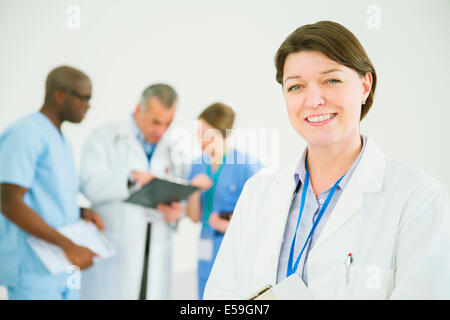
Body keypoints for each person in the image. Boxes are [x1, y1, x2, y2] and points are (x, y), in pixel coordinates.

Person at [204, 21, 450, 300]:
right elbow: (222, 295)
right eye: (296, 86)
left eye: (331, 80)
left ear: (364, 86)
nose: (313, 100)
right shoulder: (257, 193)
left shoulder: (419, 199)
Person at [0, 66, 104, 300]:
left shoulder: (61, 140)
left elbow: (44, 199)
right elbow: (9, 202)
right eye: (83, 98)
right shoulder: (26, 133)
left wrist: (79, 212)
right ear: (60, 95)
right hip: (33, 269)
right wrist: (69, 246)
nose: (88, 106)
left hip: (59, 267)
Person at [79, 83, 191, 300]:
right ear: (139, 110)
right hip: (116, 253)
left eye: (168, 123)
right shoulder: (104, 138)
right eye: (156, 122)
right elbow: (89, 183)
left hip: (156, 254)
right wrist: (130, 179)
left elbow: (180, 198)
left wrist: (176, 214)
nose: (161, 131)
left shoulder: (173, 148)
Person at [187, 102, 262, 299]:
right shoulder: (197, 166)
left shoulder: (247, 166)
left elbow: (260, 221)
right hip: (205, 246)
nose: (201, 141)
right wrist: (193, 191)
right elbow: (194, 217)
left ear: (223, 135)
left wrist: (225, 225)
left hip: (234, 250)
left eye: (208, 134)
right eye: (199, 133)